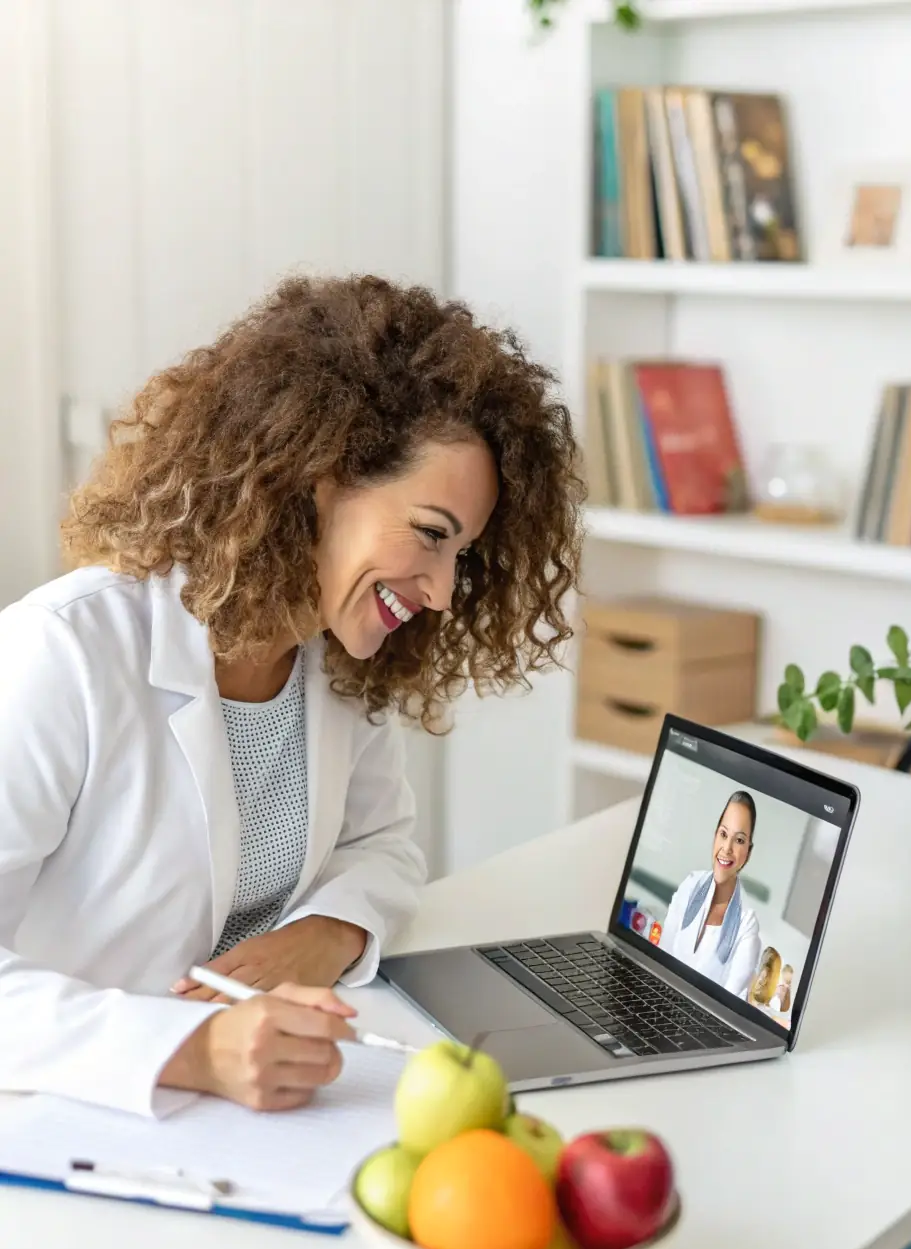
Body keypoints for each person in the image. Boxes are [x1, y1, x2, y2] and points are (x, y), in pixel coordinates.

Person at [0, 275, 582, 1117]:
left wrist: (326, 935)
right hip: (79, 1112)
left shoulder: (339, 661)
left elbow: (385, 846)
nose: (446, 591)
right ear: (318, 476)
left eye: (461, 554)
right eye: (429, 534)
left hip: (264, 1110)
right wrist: (191, 1048)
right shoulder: (63, 652)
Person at [660, 791, 762, 998]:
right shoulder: (690, 885)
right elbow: (661, 957)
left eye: (739, 840)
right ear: (715, 836)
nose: (727, 848)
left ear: (748, 853)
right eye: (723, 835)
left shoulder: (746, 924)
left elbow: (731, 1004)